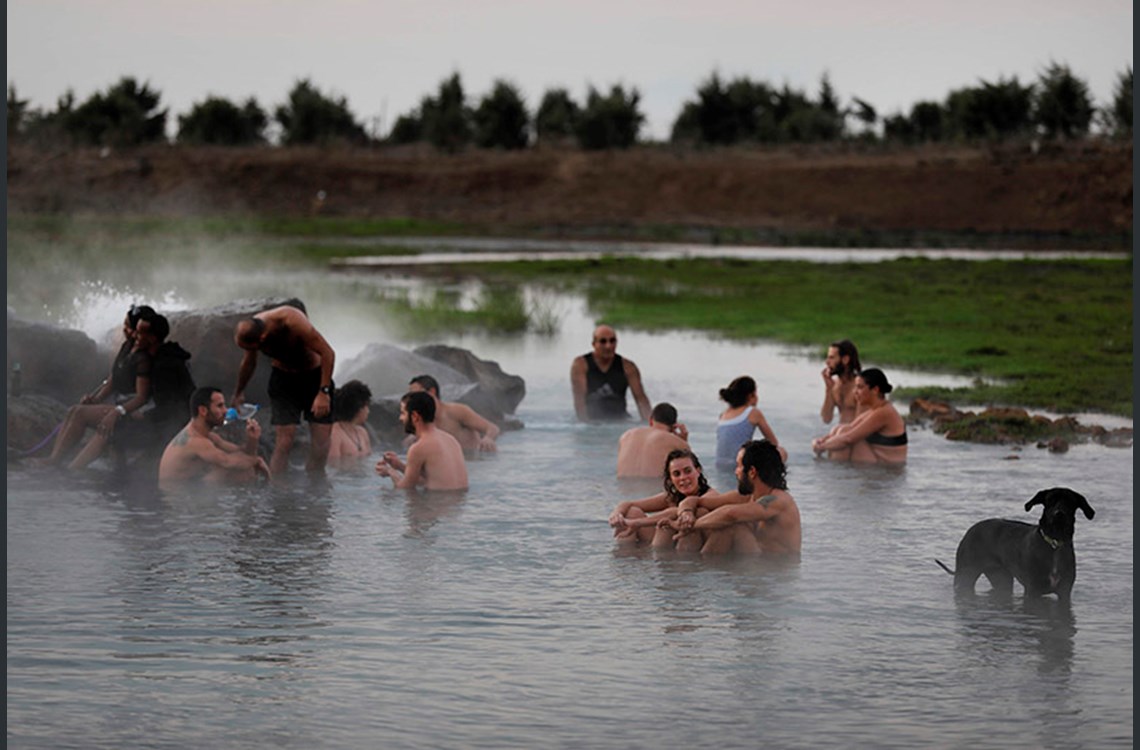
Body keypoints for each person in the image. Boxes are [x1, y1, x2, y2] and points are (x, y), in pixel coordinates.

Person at [43, 304, 157, 469]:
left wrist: (118, 411)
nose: (124, 328)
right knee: (74, 410)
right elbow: (113, 379)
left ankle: (61, 464)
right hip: (120, 405)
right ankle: (55, 459)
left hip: (133, 410)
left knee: (80, 414)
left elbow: (142, 396)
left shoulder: (143, 357)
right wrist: (96, 398)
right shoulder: (127, 347)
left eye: (127, 325)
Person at [232, 304, 335, 475]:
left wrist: (323, 392)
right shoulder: (253, 330)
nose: (251, 351)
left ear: (263, 338)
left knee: (321, 443)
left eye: (252, 348)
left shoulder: (292, 320)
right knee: (284, 441)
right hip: (284, 380)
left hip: (314, 377)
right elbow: (249, 362)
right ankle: (277, 492)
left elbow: (328, 353)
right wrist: (238, 393)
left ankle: (317, 487)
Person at [672, 439, 802, 557]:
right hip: (755, 566)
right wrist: (686, 514)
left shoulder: (778, 500)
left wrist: (689, 526)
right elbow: (695, 500)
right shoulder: (747, 497)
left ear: (752, 472)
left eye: (739, 466)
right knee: (700, 512)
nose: (736, 472)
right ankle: (689, 570)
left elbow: (730, 515)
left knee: (733, 528)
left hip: (776, 573)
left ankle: (705, 575)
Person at [608, 448, 730, 550]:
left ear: (698, 471)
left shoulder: (711, 495)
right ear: (671, 479)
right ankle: (625, 564)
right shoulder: (671, 497)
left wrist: (638, 523)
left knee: (674, 520)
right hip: (665, 546)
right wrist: (616, 515)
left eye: (687, 471)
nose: (683, 478)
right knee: (632, 512)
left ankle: (657, 562)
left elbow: (677, 511)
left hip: (691, 552)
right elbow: (628, 504)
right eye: (677, 474)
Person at [158, 386, 270, 488]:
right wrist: (256, 461)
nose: (226, 411)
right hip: (177, 497)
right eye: (220, 406)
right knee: (237, 470)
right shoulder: (195, 441)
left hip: (190, 490)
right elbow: (228, 461)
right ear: (203, 410)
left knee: (243, 469)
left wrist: (253, 439)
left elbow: (242, 453)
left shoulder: (209, 436)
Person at [811, 367, 907, 464]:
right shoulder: (873, 410)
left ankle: (837, 476)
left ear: (875, 390)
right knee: (840, 429)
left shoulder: (885, 412)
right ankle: (836, 474)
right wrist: (821, 441)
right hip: (875, 463)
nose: (855, 392)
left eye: (860, 387)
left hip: (887, 470)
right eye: (855, 387)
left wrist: (822, 447)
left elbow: (848, 438)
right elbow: (852, 427)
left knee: (846, 436)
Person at [375, 391, 468, 491]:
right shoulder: (451, 439)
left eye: (403, 413)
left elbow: (405, 488)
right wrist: (399, 466)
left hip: (437, 504)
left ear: (415, 416)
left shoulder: (419, 447)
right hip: (459, 504)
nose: (400, 418)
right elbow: (431, 479)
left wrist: (390, 471)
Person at [570, 324, 652, 422]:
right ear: (594, 344)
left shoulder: (628, 367)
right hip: (592, 420)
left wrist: (650, 424)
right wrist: (584, 424)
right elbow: (579, 400)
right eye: (603, 342)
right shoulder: (581, 365)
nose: (608, 346)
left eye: (612, 341)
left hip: (620, 419)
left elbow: (641, 399)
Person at [407, 374, 500, 452]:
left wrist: (488, 438)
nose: (412, 400)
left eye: (415, 395)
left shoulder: (457, 411)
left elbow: (492, 428)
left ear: (432, 392)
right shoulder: (422, 420)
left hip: (475, 462)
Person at [715, 376, 784, 469]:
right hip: (740, 464)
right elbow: (773, 443)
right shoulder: (752, 412)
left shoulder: (723, 414)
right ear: (750, 396)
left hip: (720, 464)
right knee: (781, 452)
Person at [616, 402, 689, 478]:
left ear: (650, 421)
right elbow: (689, 469)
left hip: (623, 488)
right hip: (655, 488)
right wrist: (683, 442)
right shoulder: (676, 442)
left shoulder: (625, 436)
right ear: (674, 426)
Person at [327, 379, 373, 469]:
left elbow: (369, 460)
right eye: (367, 406)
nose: (368, 411)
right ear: (359, 407)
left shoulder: (362, 432)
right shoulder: (335, 434)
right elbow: (333, 466)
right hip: (345, 479)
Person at [820, 339, 861, 425]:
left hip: (858, 435)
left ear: (845, 360)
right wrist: (828, 389)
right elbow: (826, 419)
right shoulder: (834, 385)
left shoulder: (860, 387)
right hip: (843, 433)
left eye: (832, 358)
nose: (827, 362)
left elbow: (862, 424)